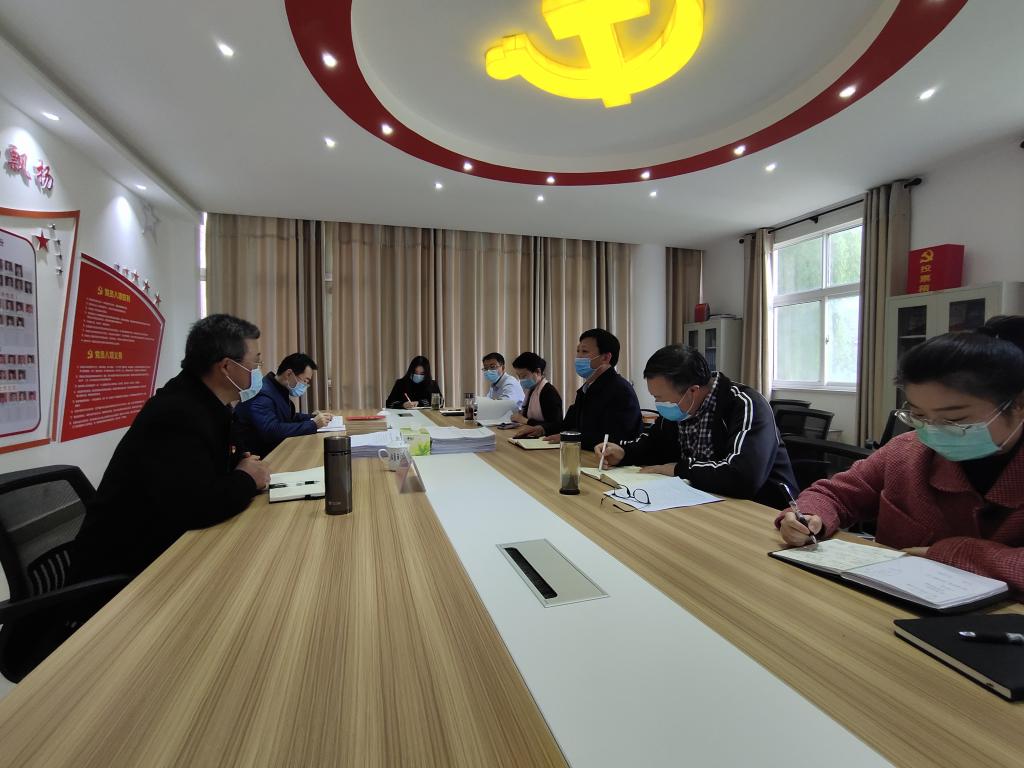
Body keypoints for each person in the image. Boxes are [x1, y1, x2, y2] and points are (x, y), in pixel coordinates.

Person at [776, 316, 1024, 594]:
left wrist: (958, 554)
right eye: (919, 416)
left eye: (954, 419)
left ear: (1018, 405)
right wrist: (810, 517)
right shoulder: (906, 451)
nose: (934, 431)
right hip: (887, 602)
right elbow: (835, 494)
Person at [72, 313, 271, 582]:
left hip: (163, 550)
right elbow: (197, 507)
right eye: (255, 362)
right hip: (124, 576)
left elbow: (228, 466)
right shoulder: (177, 414)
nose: (258, 370)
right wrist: (246, 478)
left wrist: (242, 469)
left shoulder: (209, 404)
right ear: (226, 366)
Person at [596, 345, 797, 509]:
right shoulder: (680, 408)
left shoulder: (745, 404)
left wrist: (678, 469)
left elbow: (743, 476)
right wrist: (624, 452)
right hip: (702, 500)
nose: (659, 405)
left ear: (693, 391)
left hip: (762, 511)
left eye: (660, 398)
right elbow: (653, 444)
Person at [550, 328, 641, 450]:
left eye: (584, 351)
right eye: (578, 351)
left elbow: (616, 438)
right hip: (585, 453)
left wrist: (571, 438)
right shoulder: (586, 389)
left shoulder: (620, 390)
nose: (578, 357)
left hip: (605, 458)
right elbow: (568, 425)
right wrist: (542, 429)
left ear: (605, 358)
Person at [233, 352, 334, 457]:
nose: (305, 385)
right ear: (289, 374)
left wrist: (312, 417)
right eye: (304, 380)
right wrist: (313, 424)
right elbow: (271, 430)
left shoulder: (277, 388)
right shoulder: (262, 394)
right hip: (259, 457)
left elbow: (288, 417)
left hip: (275, 451)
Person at [510, 351, 563, 437]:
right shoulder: (531, 389)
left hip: (546, 438)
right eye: (519, 376)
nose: (521, 380)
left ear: (538, 371)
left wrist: (526, 421)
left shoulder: (549, 392)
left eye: (524, 376)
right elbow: (525, 415)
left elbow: (556, 425)